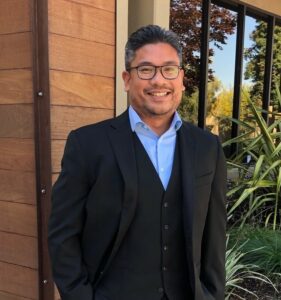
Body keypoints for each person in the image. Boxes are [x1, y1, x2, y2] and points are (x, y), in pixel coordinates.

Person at [48, 24, 227, 300]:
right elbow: (63, 235)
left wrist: (212, 295)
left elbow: (214, 235)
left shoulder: (207, 147)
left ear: (181, 78)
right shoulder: (87, 144)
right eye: (145, 70)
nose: (159, 81)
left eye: (169, 69)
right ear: (127, 79)